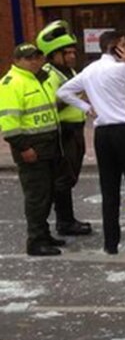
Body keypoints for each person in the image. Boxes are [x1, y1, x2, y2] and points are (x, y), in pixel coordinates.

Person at [57, 31, 125, 255]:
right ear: (115, 47)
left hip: (103, 134)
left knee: (109, 190)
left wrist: (86, 108)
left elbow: (63, 92)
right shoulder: (122, 68)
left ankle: (111, 244)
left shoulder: (89, 70)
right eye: (124, 45)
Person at [0, 43, 64, 256]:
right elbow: (9, 123)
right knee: (37, 197)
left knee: (47, 193)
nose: (35, 61)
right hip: (31, 148)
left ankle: (43, 234)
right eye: (29, 58)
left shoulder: (38, 79)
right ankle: (35, 241)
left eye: (37, 57)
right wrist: (23, 147)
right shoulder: (12, 83)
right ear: (17, 61)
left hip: (47, 146)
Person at [36, 20, 92, 237]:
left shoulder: (68, 71)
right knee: (63, 178)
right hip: (64, 131)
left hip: (76, 129)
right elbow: (51, 104)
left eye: (72, 52)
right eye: (65, 53)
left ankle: (67, 219)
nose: (71, 56)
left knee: (70, 175)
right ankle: (65, 221)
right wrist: (70, 97)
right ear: (53, 55)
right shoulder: (50, 74)